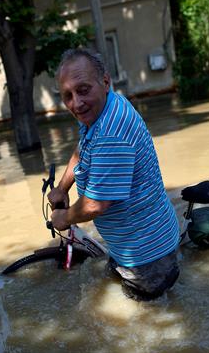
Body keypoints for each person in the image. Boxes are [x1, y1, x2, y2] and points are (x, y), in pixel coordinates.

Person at [49, 48, 180, 301]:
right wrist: (62, 188)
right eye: (67, 96)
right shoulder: (102, 107)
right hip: (138, 241)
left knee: (145, 321)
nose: (76, 103)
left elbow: (96, 204)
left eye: (82, 90)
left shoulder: (111, 133)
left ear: (105, 81)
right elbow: (82, 150)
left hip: (145, 255)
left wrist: (64, 217)